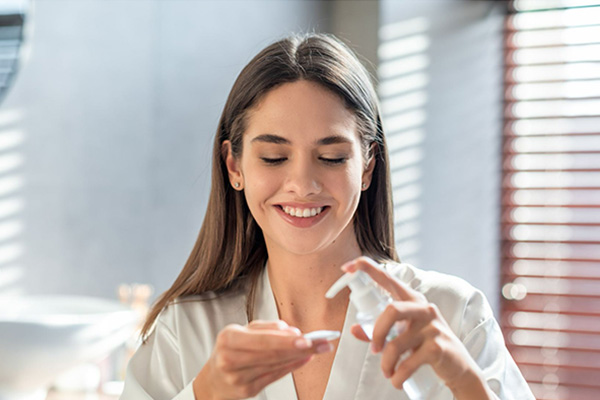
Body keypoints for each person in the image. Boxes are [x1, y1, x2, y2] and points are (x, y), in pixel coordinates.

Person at [121, 32, 534, 400]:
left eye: (332, 157)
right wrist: (206, 393)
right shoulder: (186, 331)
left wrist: (464, 381)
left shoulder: (452, 314)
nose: (303, 184)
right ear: (234, 166)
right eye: (274, 157)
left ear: (368, 165)